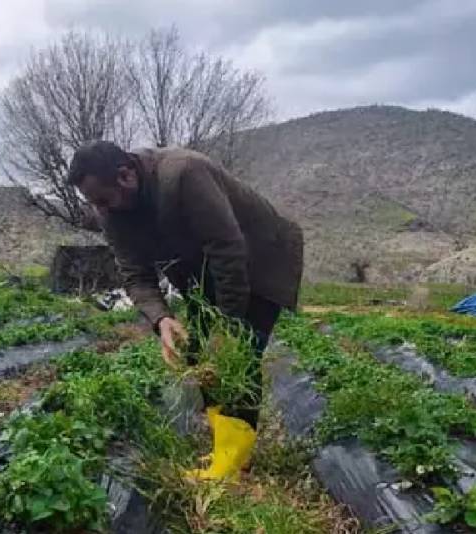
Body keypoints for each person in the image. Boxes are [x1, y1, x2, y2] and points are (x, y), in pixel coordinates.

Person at [67, 141, 304, 481]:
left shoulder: (184, 173)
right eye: (94, 203)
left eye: (103, 200)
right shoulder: (112, 213)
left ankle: (232, 462)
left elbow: (227, 249)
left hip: (260, 262)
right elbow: (135, 274)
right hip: (203, 271)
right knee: (200, 356)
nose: (100, 210)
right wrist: (162, 319)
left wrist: (227, 325)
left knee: (236, 356)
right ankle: (227, 448)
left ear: (125, 175)